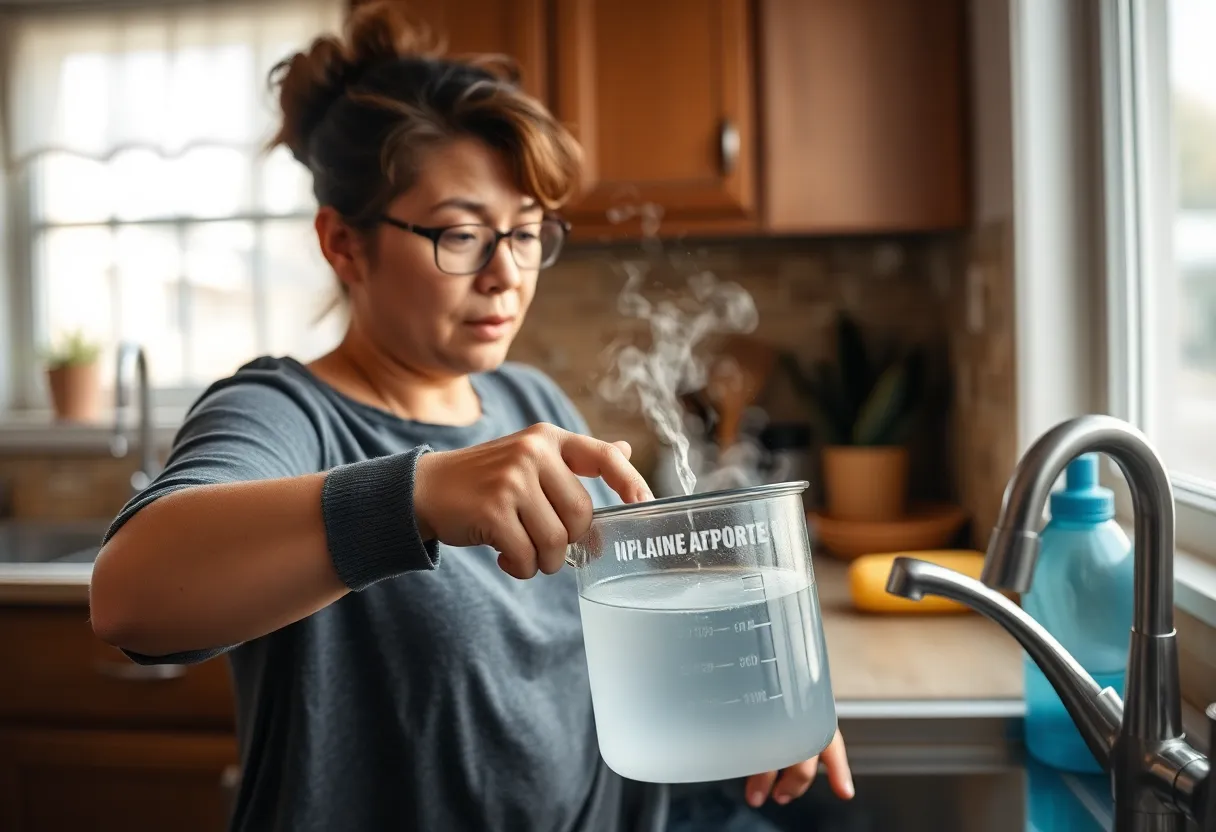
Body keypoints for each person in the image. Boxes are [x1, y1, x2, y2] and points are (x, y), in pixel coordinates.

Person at [88, 4, 853, 831]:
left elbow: (609, 650)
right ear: (343, 244)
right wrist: (417, 495)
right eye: (461, 236)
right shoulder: (285, 414)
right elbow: (129, 597)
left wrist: (749, 686)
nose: (506, 274)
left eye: (526, 234)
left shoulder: (532, 405)